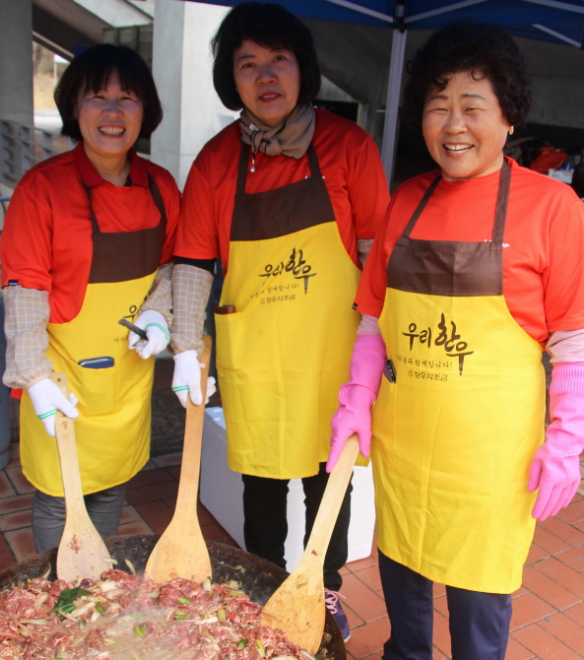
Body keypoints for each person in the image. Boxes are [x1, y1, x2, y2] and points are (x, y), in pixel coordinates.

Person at [328, 20, 584, 660]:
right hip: (405, 442)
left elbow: (574, 341)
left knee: (478, 606)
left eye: (473, 106)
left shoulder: (554, 207)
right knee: (401, 571)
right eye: (438, 107)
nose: (453, 125)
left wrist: (567, 443)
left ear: (509, 116)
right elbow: (373, 319)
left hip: (489, 458)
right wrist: (357, 398)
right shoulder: (406, 199)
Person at [170, 1, 389, 642]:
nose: (266, 76)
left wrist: (387, 344)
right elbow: (190, 263)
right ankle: (265, 587)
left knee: (332, 487)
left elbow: (378, 256)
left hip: (333, 356)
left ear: (304, 68)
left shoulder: (348, 147)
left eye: (279, 60)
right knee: (263, 491)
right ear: (230, 78)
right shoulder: (215, 162)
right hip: (258, 358)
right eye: (248, 64)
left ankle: (323, 593)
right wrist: (185, 344)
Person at [0, 44, 181, 553]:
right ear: (73, 107)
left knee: (112, 485)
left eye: (127, 98)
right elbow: (25, 290)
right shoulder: (42, 189)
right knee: (60, 497)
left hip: (127, 375)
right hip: (62, 374)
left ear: (145, 110)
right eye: (96, 96)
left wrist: (158, 313)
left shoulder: (162, 187)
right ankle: (54, 598)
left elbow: (170, 268)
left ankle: (92, 582)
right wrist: (33, 376)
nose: (112, 111)